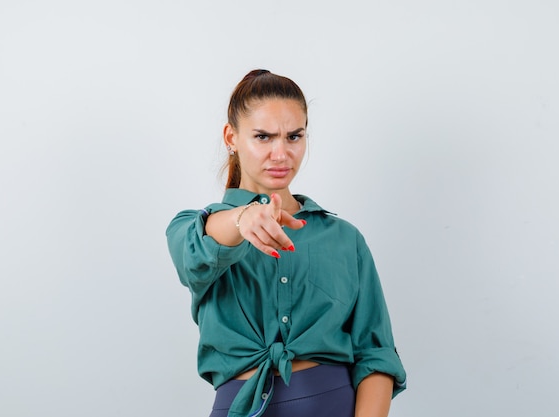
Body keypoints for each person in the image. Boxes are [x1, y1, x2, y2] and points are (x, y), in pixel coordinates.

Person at [166, 69, 406, 417]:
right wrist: (242, 218)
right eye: (263, 137)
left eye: (294, 137)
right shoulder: (193, 229)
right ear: (231, 137)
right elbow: (195, 253)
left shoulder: (344, 239)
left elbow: (376, 353)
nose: (281, 154)